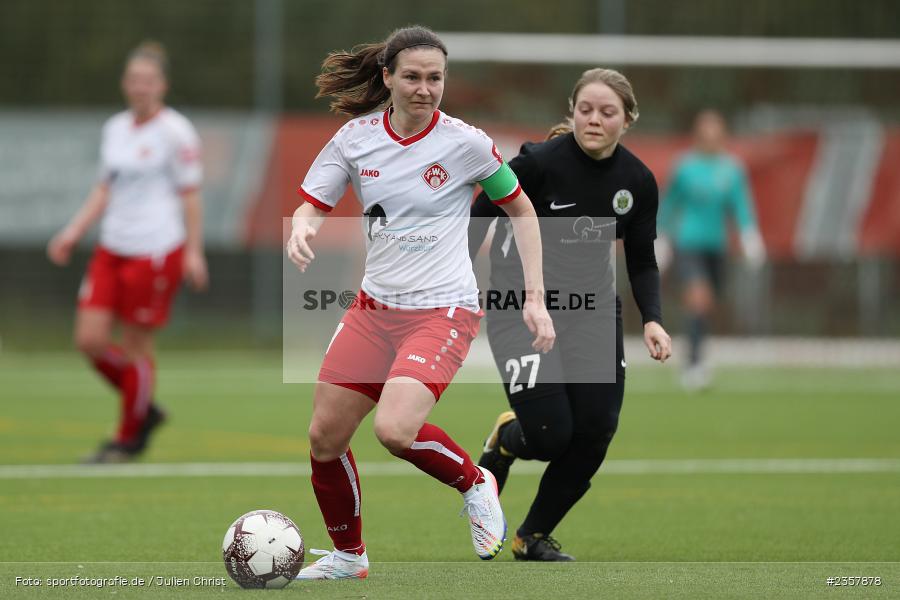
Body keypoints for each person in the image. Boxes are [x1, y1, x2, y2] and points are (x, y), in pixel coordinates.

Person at [285, 26, 555, 579]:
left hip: (443, 311)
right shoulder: (354, 140)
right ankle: (348, 557)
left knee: (395, 430)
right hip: (373, 310)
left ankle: (476, 482)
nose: (424, 88)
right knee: (324, 437)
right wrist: (302, 230)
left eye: (435, 78)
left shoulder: (467, 144)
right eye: (412, 76)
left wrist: (535, 296)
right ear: (387, 77)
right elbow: (314, 202)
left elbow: (522, 211)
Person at [470, 68, 672, 561]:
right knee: (549, 435)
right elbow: (480, 214)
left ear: (628, 119)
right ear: (572, 111)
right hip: (520, 308)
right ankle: (505, 441)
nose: (595, 120)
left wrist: (652, 318)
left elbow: (642, 259)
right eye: (586, 110)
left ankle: (530, 536)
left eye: (607, 112)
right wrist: (458, 283)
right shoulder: (538, 164)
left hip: (593, 312)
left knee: (596, 429)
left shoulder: (637, 181)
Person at [47, 41, 208, 463]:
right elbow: (106, 187)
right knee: (90, 340)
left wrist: (194, 251)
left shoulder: (176, 132)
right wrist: (73, 231)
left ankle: (126, 437)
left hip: (155, 250)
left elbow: (190, 194)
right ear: (125, 84)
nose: (141, 88)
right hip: (111, 247)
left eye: (149, 81)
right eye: (134, 80)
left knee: (136, 346)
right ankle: (145, 407)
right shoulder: (115, 128)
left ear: (163, 86)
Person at [656, 110, 765, 390]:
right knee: (698, 299)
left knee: (706, 305)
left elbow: (740, 205)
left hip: (716, 247)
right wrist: (662, 238)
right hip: (688, 243)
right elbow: (670, 204)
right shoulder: (685, 167)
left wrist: (749, 234)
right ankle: (692, 364)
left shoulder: (732, 169)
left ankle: (696, 353)